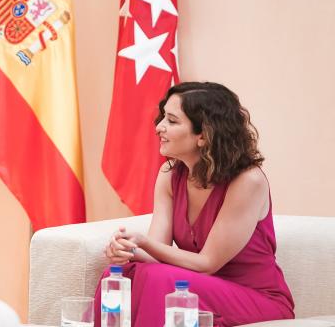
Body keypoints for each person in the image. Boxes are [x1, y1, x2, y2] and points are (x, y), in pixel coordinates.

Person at [97, 82, 294, 327]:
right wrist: (129, 250)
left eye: (172, 121)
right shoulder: (169, 174)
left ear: (203, 135)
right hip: (192, 286)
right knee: (118, 275)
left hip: (254, 299)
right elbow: (156, 252)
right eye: (162, 118)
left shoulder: (247, 181)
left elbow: (207, 264)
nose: (159, 127)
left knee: (158, 279)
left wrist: (143, 243)